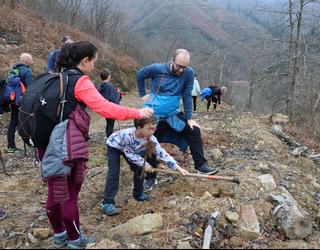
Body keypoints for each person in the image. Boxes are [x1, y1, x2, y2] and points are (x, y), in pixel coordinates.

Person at [38, 41, 153, 249]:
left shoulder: (52, 77)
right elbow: (105, 108)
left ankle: (60, 235)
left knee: (55, 192)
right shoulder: (79, 81)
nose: (94, 66)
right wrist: (138, 113)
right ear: (85, 61)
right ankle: (74, 240)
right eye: (94, 61)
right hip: (67, 146)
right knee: (70, 195)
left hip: (45, 144)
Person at [136, 48, 219, 192]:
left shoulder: (188, 73)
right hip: (152, 115)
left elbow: (187, 95)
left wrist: (189, 118)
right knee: (148, 142)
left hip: (172, 115)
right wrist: (143, 93)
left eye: (184, 67)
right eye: (178, 66)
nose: (181, 70)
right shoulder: (157, 69)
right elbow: (140, 74)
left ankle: (201, 165)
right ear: (173, 60)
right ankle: (150, 177)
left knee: (194, 130)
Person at [102, 116, 189, 215]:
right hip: (115, 146)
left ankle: (138, 194)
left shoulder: (151, 138)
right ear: (139, 128)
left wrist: (178, 168)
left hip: (131, 150)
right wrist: (146, 165)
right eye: (149, 129)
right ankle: (107, 202)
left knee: (139, 169)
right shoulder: (127, 136)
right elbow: (130, 155)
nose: (152, 131)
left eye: (154, 128)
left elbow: (162, 153)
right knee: (114, 173)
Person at [6, 53, 33, 153]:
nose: (32, 62)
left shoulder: (14, 70)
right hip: (24, 102)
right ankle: (31, 143)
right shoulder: (27, 71)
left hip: (14, 101)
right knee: (26, 121)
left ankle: (10, 146)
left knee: (13, 122)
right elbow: (31, 89)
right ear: (26, 61)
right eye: (31, 60)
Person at [97, 69, 120, 138]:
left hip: (104, 107)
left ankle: (108, 137)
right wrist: (118, 94)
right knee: (111, 123)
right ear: (108, 76)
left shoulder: (100, 85)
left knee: (109, 123)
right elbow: (114, 99)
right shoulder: (110, 86)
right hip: (110, 107)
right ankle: (109, 138)